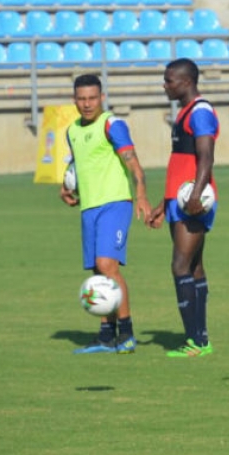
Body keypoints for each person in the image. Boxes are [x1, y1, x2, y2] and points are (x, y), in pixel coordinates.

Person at [61, 75, 152, 354]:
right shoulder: (72, 131)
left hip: (115, 203)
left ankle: (126, 334)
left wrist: (141, 195)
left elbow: (134, 163)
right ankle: (105, 335)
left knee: (107, 266)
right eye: (81, 99)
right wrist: (64, 187)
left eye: (92, 98)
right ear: (75, 99)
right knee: (97, 272)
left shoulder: (112, 124)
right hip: (89, 207)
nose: (86, 104)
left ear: (101, 97)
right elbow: (79, 164)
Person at [146, 59, 219, 358]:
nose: (165, 86)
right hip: (179, 201)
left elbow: (206, 157)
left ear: (186, 82)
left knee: (180, 266)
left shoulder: (200, 112)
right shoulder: (185, 112)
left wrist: (196, 195)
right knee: (194, 267)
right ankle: (199, 340)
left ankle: (196, 342)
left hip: (192, 203)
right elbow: (180, 162)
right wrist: (164, 204)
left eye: (169, 81)